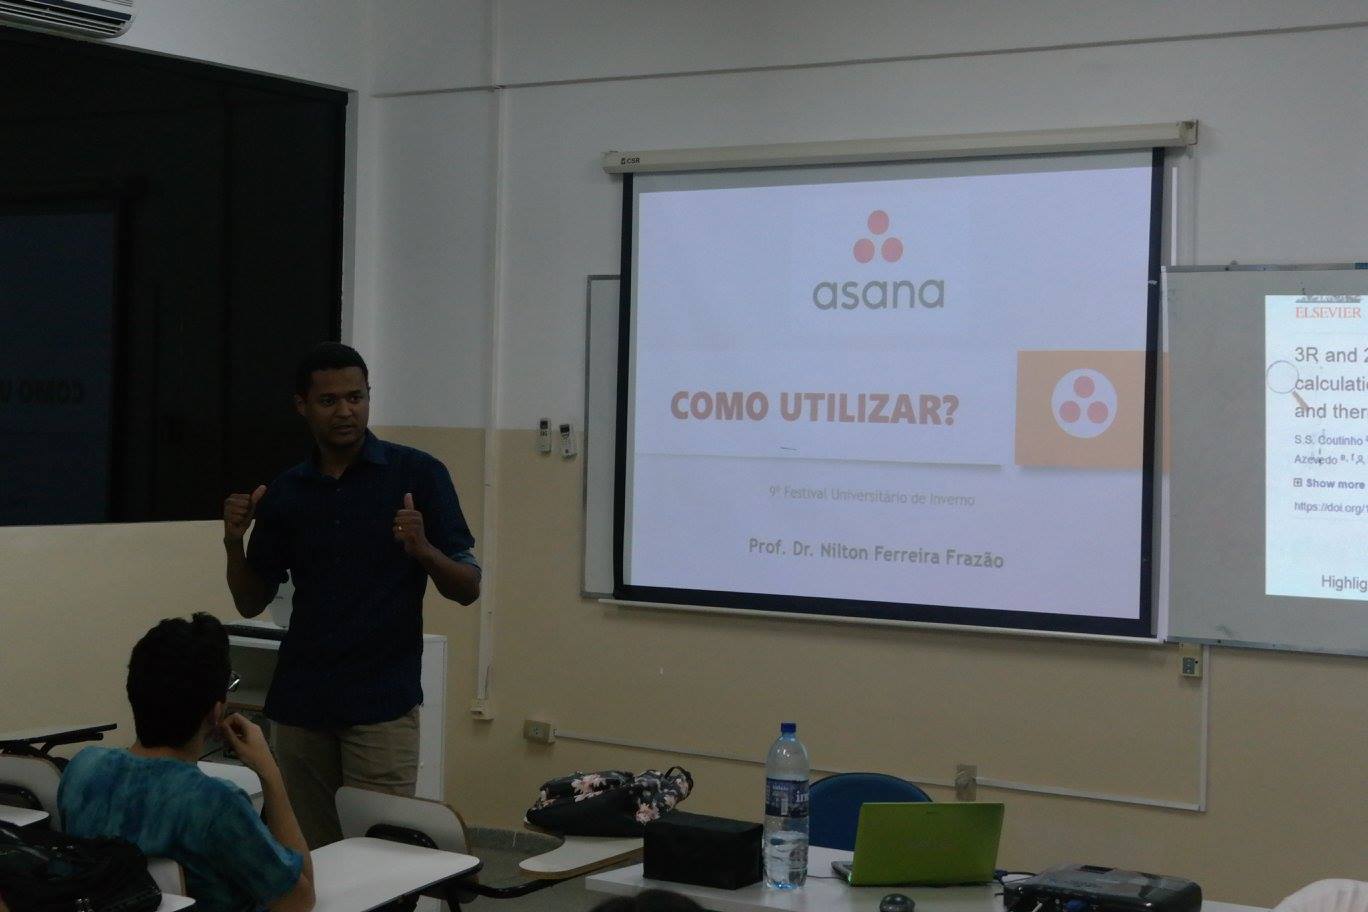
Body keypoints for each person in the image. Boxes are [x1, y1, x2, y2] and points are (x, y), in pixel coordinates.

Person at [223, 342, 480, 848]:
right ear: (302, 405)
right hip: (302, 702)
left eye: (356, 397)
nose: (345, 411)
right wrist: (234, 543)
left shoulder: (418, 474)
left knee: (383, 853)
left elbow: (468, 588)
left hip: (381, 702)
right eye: (329, 401)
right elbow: (250, 601)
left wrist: (424, 550)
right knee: (311, 852)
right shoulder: (287, 491)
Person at [58, 614, 314, 912]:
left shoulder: (83, 768)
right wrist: (270, 772)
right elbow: (299, 899)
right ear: (215, 713)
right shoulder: (215, 804)